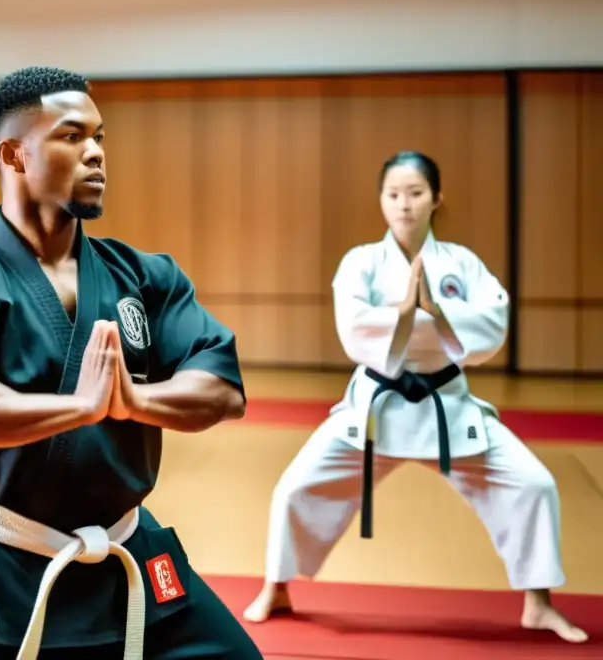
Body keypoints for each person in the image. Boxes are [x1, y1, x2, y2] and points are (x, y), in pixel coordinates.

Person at [0, 66, 261, 659]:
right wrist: (78, 408)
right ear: (14, 155)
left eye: (100, 138)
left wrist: (135, 402)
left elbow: (222, 389)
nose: (95, 155)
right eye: (71, 136)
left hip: (121, 550)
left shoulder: (146, 276)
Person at [243, 151, 587, 644]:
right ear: (381, 200)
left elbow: (492, 323)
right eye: (393, 194)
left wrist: (437, 310)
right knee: (295, 487)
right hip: (376, 409)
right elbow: (354, 330)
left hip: (448, 406)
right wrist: (405, 314)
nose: (403, 205)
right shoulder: (361, 261)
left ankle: (539, 604)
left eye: (415, 193)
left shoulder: (461, 263)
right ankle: (275, 588)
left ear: (436, 199)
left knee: (534, 484)